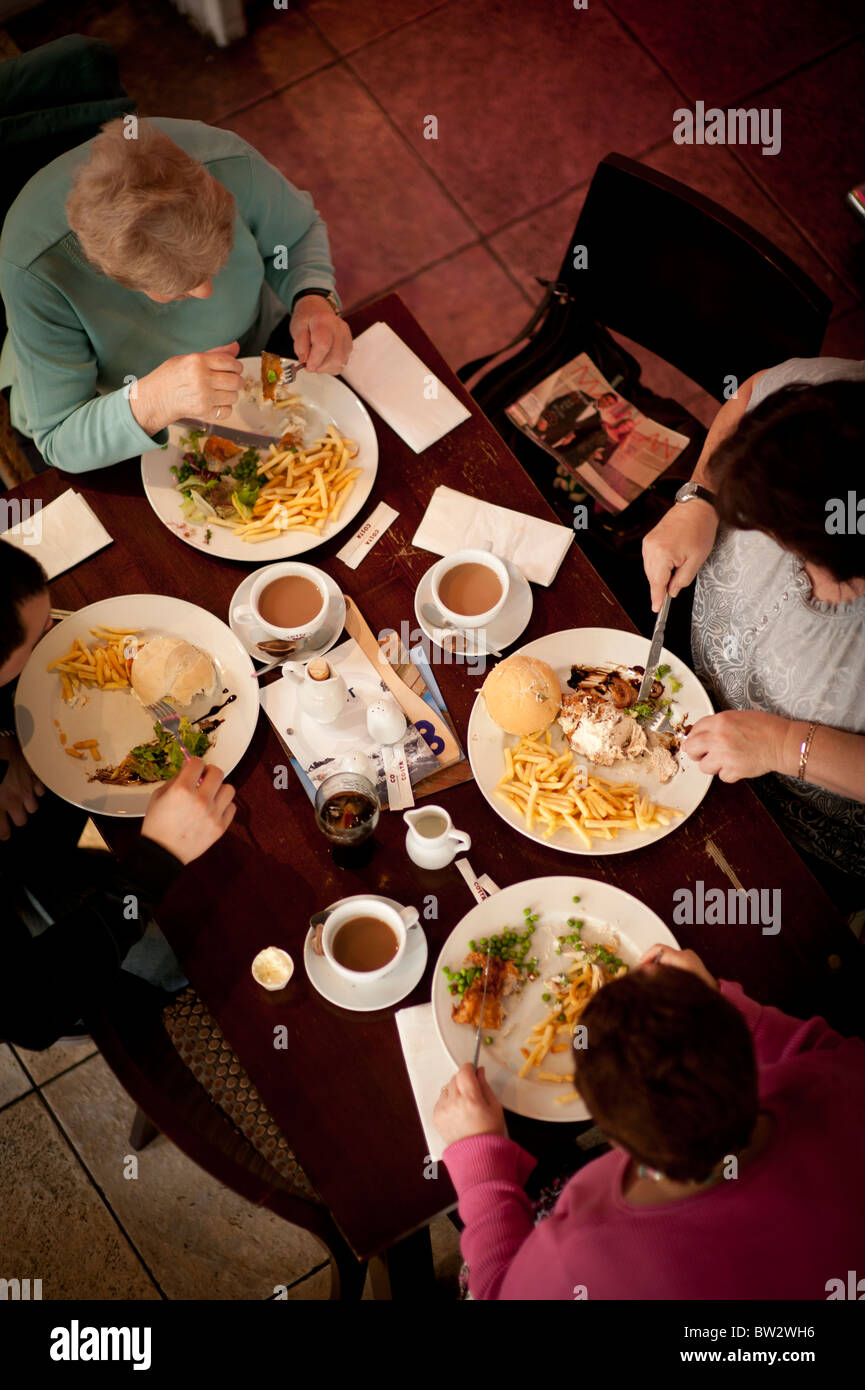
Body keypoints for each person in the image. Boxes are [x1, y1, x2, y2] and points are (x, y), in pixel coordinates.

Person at [434, 945, 865, 1300]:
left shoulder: (579, 1260)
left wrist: (480, 1162)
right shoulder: (844, 1083)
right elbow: (822, 1050)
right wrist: (711, 1002)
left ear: (605, 1130)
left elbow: (493, 1292)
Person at [0, 116, 352, 473]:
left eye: (218, 262)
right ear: (108, 271)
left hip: (257, 343)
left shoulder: (227, 158)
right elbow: (60, 437)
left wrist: (312, 298)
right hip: (113, 407)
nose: (207, 292)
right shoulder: (32, 270)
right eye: (180, 289)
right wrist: (152, 401)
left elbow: (294, 234)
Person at [0, 539, 236, 1048]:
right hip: (39, 984)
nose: (56, 635)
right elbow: (31, 1012)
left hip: (34, 840)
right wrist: (156, 860)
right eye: (39, 636)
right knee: (200, 953)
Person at [641, 360, 865, 896]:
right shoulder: (836, 409)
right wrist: (701, 497)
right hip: (682, 712)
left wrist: (785, 745)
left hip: (799, 843)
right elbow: (748, 396)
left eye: (766, 531)